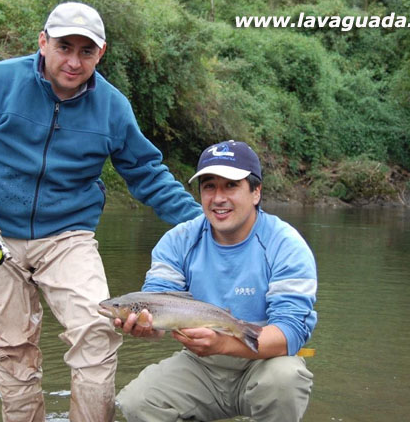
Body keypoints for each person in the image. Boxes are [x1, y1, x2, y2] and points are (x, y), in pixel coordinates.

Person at [0, 2, 201, 422]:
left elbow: (147, 173)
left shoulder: (112, 107)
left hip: (68, 236)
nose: (73, 61)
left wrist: (202, 224)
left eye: (85, 52)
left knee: (97, 332)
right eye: (64, 47)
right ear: (43, 42)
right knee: (11, 349)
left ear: (100, 53)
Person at [115, 140, 317, 422]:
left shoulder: (286, 245)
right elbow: (157, 302)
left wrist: (223, 344)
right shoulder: (177, 241)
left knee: (286, 379)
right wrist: (147, 327)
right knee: (137, 402)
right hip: (200, 366)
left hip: (265, 362)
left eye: (231, 186)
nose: (218, 198)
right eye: (209, 186)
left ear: (256, 192)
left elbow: (292, 331)